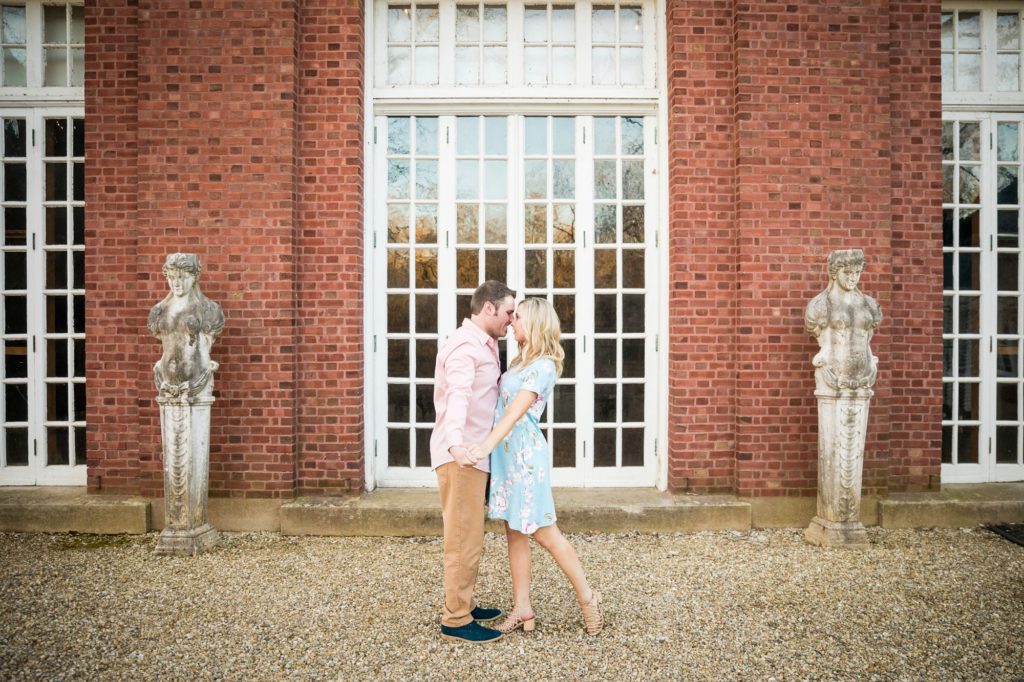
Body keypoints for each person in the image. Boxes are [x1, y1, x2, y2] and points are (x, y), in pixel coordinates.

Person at [465, 298, 604, 636]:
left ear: (536, 324)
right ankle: (523, 607)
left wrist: (484, 446)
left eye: (518, 317)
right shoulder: (517, 362)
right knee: (514, 532)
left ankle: (588, 597)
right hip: (507, 460)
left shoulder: (543, 366)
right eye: (512, 316)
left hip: (525, 460)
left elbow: (514, 414)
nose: (512, 321)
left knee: (545, 533)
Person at [430, 280, 517, 644]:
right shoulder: (466, 347)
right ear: (488, 308)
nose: (512, 320)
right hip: (461, 457)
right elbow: (458, 398)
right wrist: (455, 446)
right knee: (463, 540)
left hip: (473, 455)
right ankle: (456, 619)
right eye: (509, 312)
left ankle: (463, 602)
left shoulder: (485, 344)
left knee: (471, 537)